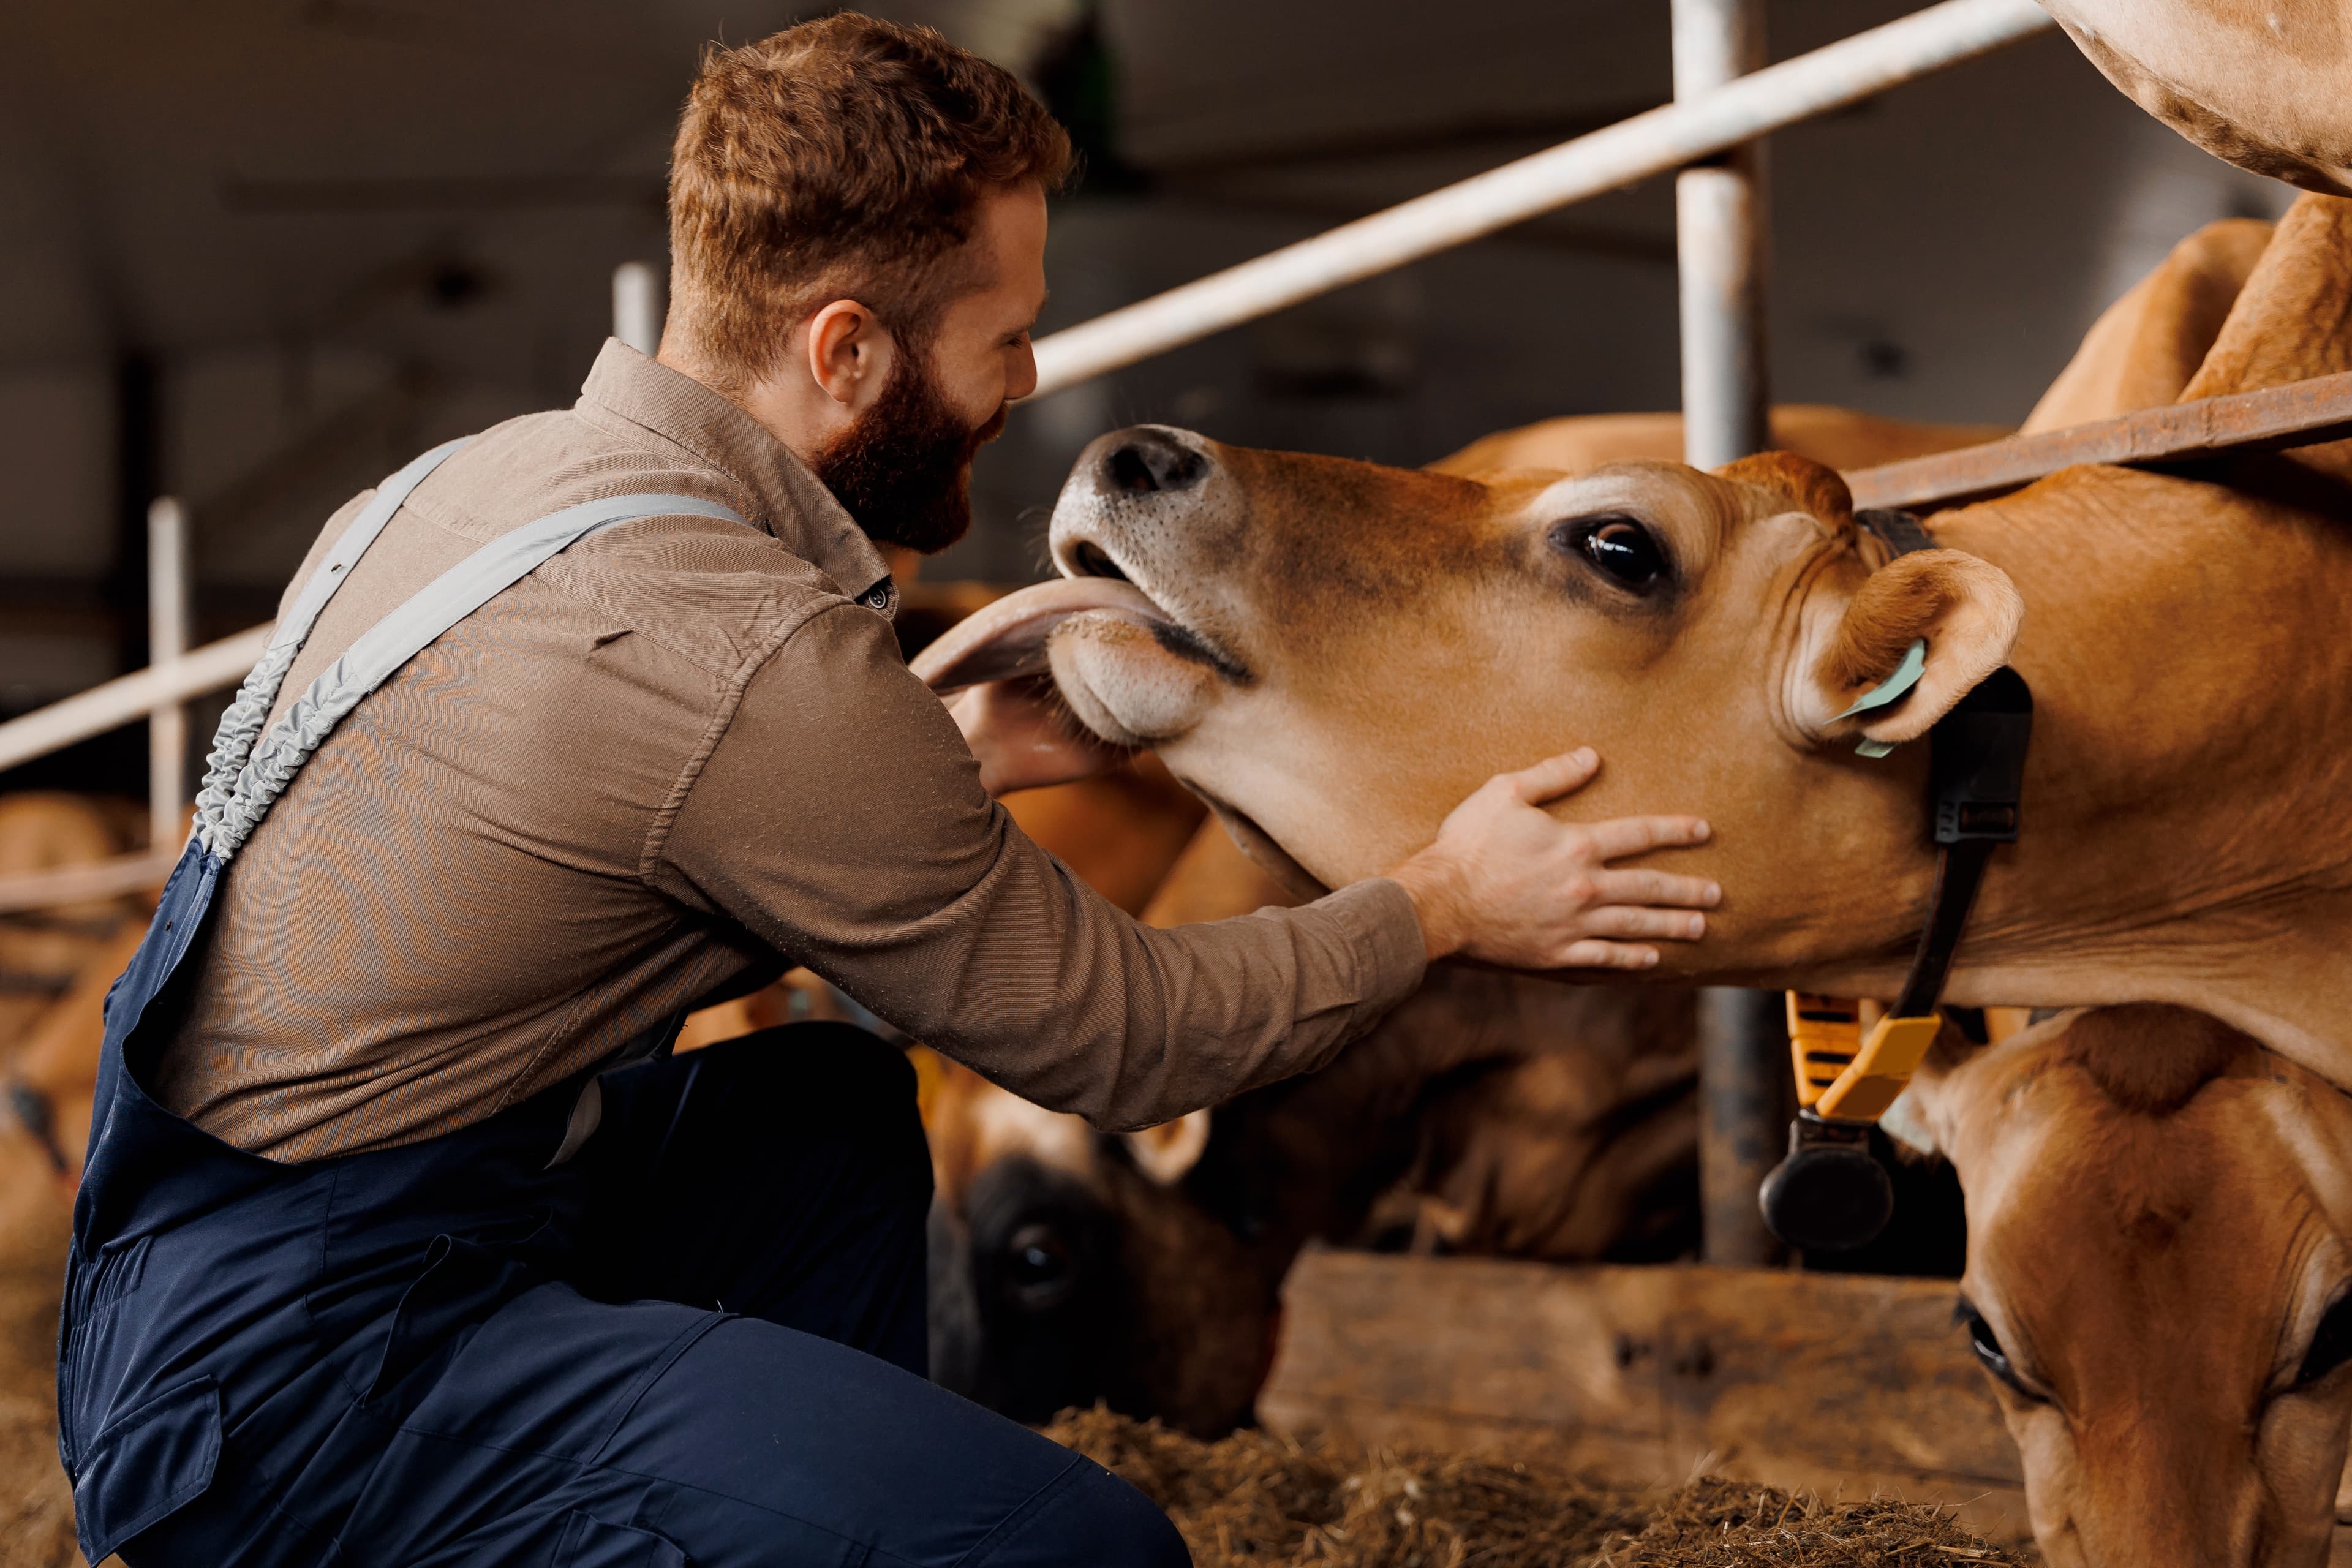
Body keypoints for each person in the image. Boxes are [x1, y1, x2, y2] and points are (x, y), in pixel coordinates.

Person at [60, 17, 1719, 1567]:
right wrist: (1445, 903)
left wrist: (948, 758)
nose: (1021, 384)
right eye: (1004, 341)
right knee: (1085, 1548)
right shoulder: (750, 660)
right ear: (845, 351)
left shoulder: (454, 492)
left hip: (177, 1277)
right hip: (303, 1380)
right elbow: (1127, 1047)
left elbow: (586, 838)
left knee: (828, 1116)